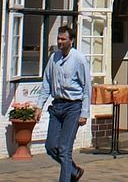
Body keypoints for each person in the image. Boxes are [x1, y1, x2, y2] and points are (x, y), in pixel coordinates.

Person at [32, 25, 89, 182]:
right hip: (57, 106)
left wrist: (84, 113)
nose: (60, 41)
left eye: (63, 39)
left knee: (64, 150)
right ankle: (73, 170)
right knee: (51, 147)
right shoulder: (54, 58)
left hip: (73, 107)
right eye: (58, 38)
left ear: (72, 40)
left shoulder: (79, 59)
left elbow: (86, 88)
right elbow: (46, 83)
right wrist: (39, 106)